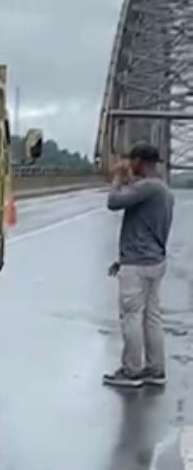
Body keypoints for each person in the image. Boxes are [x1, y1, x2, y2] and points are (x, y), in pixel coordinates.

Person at [103, 143, 174, 388]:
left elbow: (113, 201)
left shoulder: (147, 187)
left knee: (131, 316)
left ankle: (132, 371)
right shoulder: (163, 191)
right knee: (152, 317)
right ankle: (156, 368)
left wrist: (117, 177)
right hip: (155, 260)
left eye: (131, 160)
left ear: (139, 161)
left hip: (138, 264)